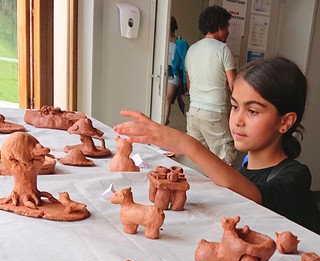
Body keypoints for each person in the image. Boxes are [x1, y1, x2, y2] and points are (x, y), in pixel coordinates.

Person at [114, 56, 320, 234]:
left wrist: (188, 145)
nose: (237, 120)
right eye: (235, 106)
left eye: (253, 111)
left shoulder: (296, 176)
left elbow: (256, 197)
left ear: (285, 122)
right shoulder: (244, 168)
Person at [184, 5, 237, 165]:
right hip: (214, 112)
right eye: (227, 27)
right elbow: (234, 85)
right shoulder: (223, 49)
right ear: (220, 27)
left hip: (193, 112)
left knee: (195, 159)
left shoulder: (192, 50)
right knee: (224, 161)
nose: (228, 31)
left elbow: (189, 85)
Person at [165, 17, 179, 126]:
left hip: (173, 73)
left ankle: (164, 120)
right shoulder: (161, 37)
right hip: (164, 71)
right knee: (164, 97)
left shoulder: (178, 41)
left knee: (167, 97)